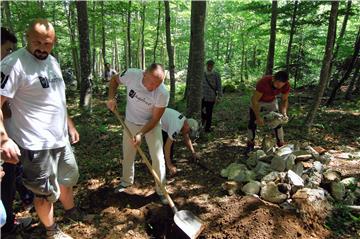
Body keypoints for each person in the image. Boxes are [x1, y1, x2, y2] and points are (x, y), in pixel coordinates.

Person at [0, 19, 80, 239]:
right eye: (38, 42)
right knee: (44, 193)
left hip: (59, 138)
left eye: (48, 43)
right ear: (27, 38)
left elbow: (57, 98)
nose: (43, 48)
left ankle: (71, 211)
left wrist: (69, 123)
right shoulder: (13, 64)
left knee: (68, 177)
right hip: (35, 143)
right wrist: (3, 138)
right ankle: (51, 230)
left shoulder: (52, 61)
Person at [107, 63, 169, 204]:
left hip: (151, 125)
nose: (154, 87)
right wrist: (111, 98)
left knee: (158, 158)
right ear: (144, 74)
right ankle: (126, 182)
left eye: (158, 84)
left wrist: (141, 134)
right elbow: (114, 80)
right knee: (128, 153)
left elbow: (155, 119)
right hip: (130, 122)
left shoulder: (162, 93)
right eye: (152, 83)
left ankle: (161, 190)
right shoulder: (132, 74)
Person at [1, 26, 33, 237]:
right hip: (5, 140)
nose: (9, 54)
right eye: (7, 49)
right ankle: (7, 225)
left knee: (10, 178)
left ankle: (8, 219)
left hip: (11, 137)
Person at [246, 70, 290, 154]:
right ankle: (250, 144)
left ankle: (281, 143)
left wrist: (284, 113)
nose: (278, 87)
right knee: (252, 122)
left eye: (280, 86)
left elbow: (284, 100)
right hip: (259, 101)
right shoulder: (263, 82)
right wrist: (258, 118)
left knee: (278, 120)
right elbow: (255, 100)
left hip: (272, 101)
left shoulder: (286, 85)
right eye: (277, 84)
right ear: (273, 79)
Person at [160, 108, 200, 176]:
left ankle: (167, 162)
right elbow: (167, 147)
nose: (188, 133)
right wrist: (170, 165)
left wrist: (193, 152)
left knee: (170, 141)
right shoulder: (176, 127)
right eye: (189, 131)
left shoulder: (184, 121)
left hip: (163, 120)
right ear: (187, 125)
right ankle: (165, 166)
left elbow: (186, 138)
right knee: (165, 144)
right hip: (156, 120)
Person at [202, 60, 222, 132]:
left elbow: (219, 86)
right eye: (208, 65)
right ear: (206, 65)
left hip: (211, 97)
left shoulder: (216, 74)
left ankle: (207, 128)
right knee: (201, 112)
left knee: (209, 113)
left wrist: (219, 96)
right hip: (202, 97)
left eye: (211, 65)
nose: (210, 67)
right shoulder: (202, 73)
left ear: (213, 66)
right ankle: (202, 124)